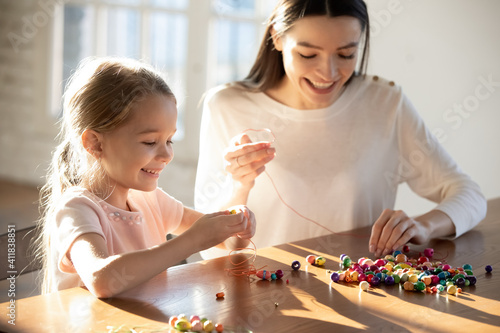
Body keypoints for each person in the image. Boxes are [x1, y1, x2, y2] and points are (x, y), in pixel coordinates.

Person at [194, 0, 486, 259]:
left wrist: (423, 225)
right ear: (277, 38)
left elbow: (469, 195)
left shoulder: (385, 103)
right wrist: (239, 186)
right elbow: (211, 246)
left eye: (346, 54)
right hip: (268, 301)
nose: (328, 73)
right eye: (308, 55)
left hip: (367, 293)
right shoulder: (226, 106)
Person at [35, 57, 255, 298]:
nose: (167, 154)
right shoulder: (77, 209)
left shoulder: (150, 200)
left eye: (169, 140)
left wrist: (238, 228)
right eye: (150, 142)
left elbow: (227, 243)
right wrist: (191, 241)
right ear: (95, 143)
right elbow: (102, 279)